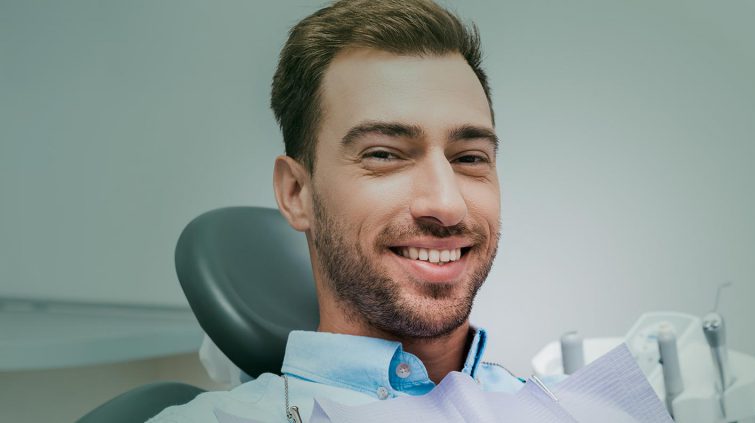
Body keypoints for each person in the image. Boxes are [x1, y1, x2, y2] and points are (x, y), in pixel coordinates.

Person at [149, 0, 519, 421]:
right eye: (383, 155)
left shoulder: (566, 402)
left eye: (470, 158)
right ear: (296, 193)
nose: (447, 205)